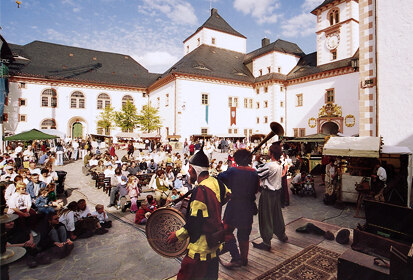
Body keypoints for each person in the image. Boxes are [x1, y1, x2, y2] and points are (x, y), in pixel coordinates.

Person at [167, 146, 230, 280]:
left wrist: (177, 235)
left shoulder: (200, 191)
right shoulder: (216, 182)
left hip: (200, 247)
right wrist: (214, 209)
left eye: (190, 168)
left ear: (195, 169)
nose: (189, 172)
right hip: (214, 242)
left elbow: (195, 223)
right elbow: (227, 195)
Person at [217, 149, 259, 268]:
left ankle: (236, 258)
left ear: (236, 159)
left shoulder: (233, 171)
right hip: (248, 206)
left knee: (227, 231)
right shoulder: (254, 173)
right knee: (244, 234)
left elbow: (219, 179)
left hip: (235, 206)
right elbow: (256, 190)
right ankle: (244, 259)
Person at [253, 142, 288, 251]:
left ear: (271, 153)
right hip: (276, 193)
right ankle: (282, 235)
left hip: (268, 193)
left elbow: (256, 173)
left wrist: (255, 160)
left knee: (265, 216)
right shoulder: (278, 164)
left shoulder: (269, 166)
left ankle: (266, 241)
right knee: (276, 214)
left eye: (269, 150)